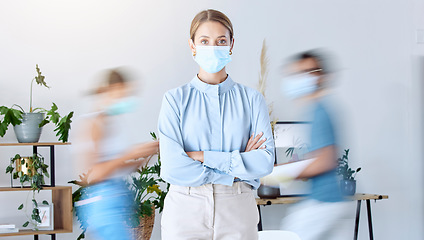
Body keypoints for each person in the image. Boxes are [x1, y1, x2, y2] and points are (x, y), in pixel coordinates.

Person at [158, 9, 275, 240]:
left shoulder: (252, 100)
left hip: (238, 209)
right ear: (192, 46)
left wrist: (201, 155)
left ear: (231, 45)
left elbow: (264, 162)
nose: (213, 47)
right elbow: (173, 167)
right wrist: (237, 165)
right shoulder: (174, 100)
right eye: (204, 41)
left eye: (221, 41)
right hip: (185, 208)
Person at [73, 69, 159, 240]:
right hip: (103, 204)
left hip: (116, 200)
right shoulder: (92, 123)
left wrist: (143, 157)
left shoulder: (111, 121)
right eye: (121, 94)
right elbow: (92, 174)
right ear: (107, 91)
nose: (124, 100)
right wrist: (127, 155)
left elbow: (114, 165)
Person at [279, 50, 348, 240]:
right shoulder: (316, 110)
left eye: (309, 72)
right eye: (297, 73)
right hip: (330, 202)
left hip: (322, 202)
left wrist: (277, 173)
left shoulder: (319, 111)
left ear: (321, 77)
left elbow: (325, 160)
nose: (301, 78)